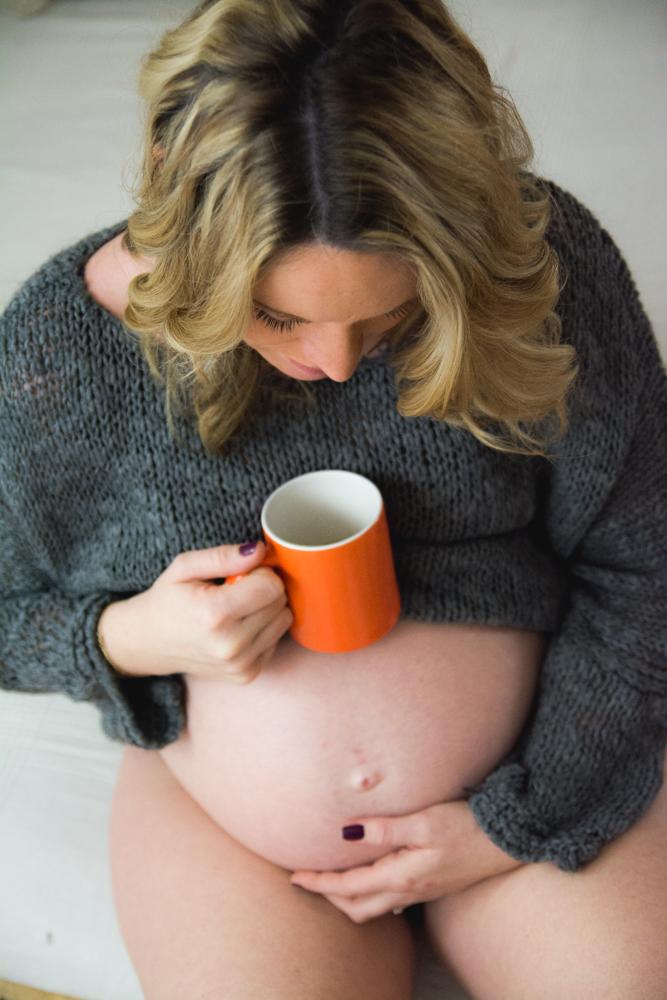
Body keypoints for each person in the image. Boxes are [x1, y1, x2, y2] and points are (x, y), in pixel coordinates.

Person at [1, 1, 665, 997]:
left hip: (538, 774)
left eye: (389, 315)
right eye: (275, 315)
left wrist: (516, 817)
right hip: (236, 845)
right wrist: (130, 638)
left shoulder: (540, 272)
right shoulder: (61, 352)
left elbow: (646, 563)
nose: (334, 360)